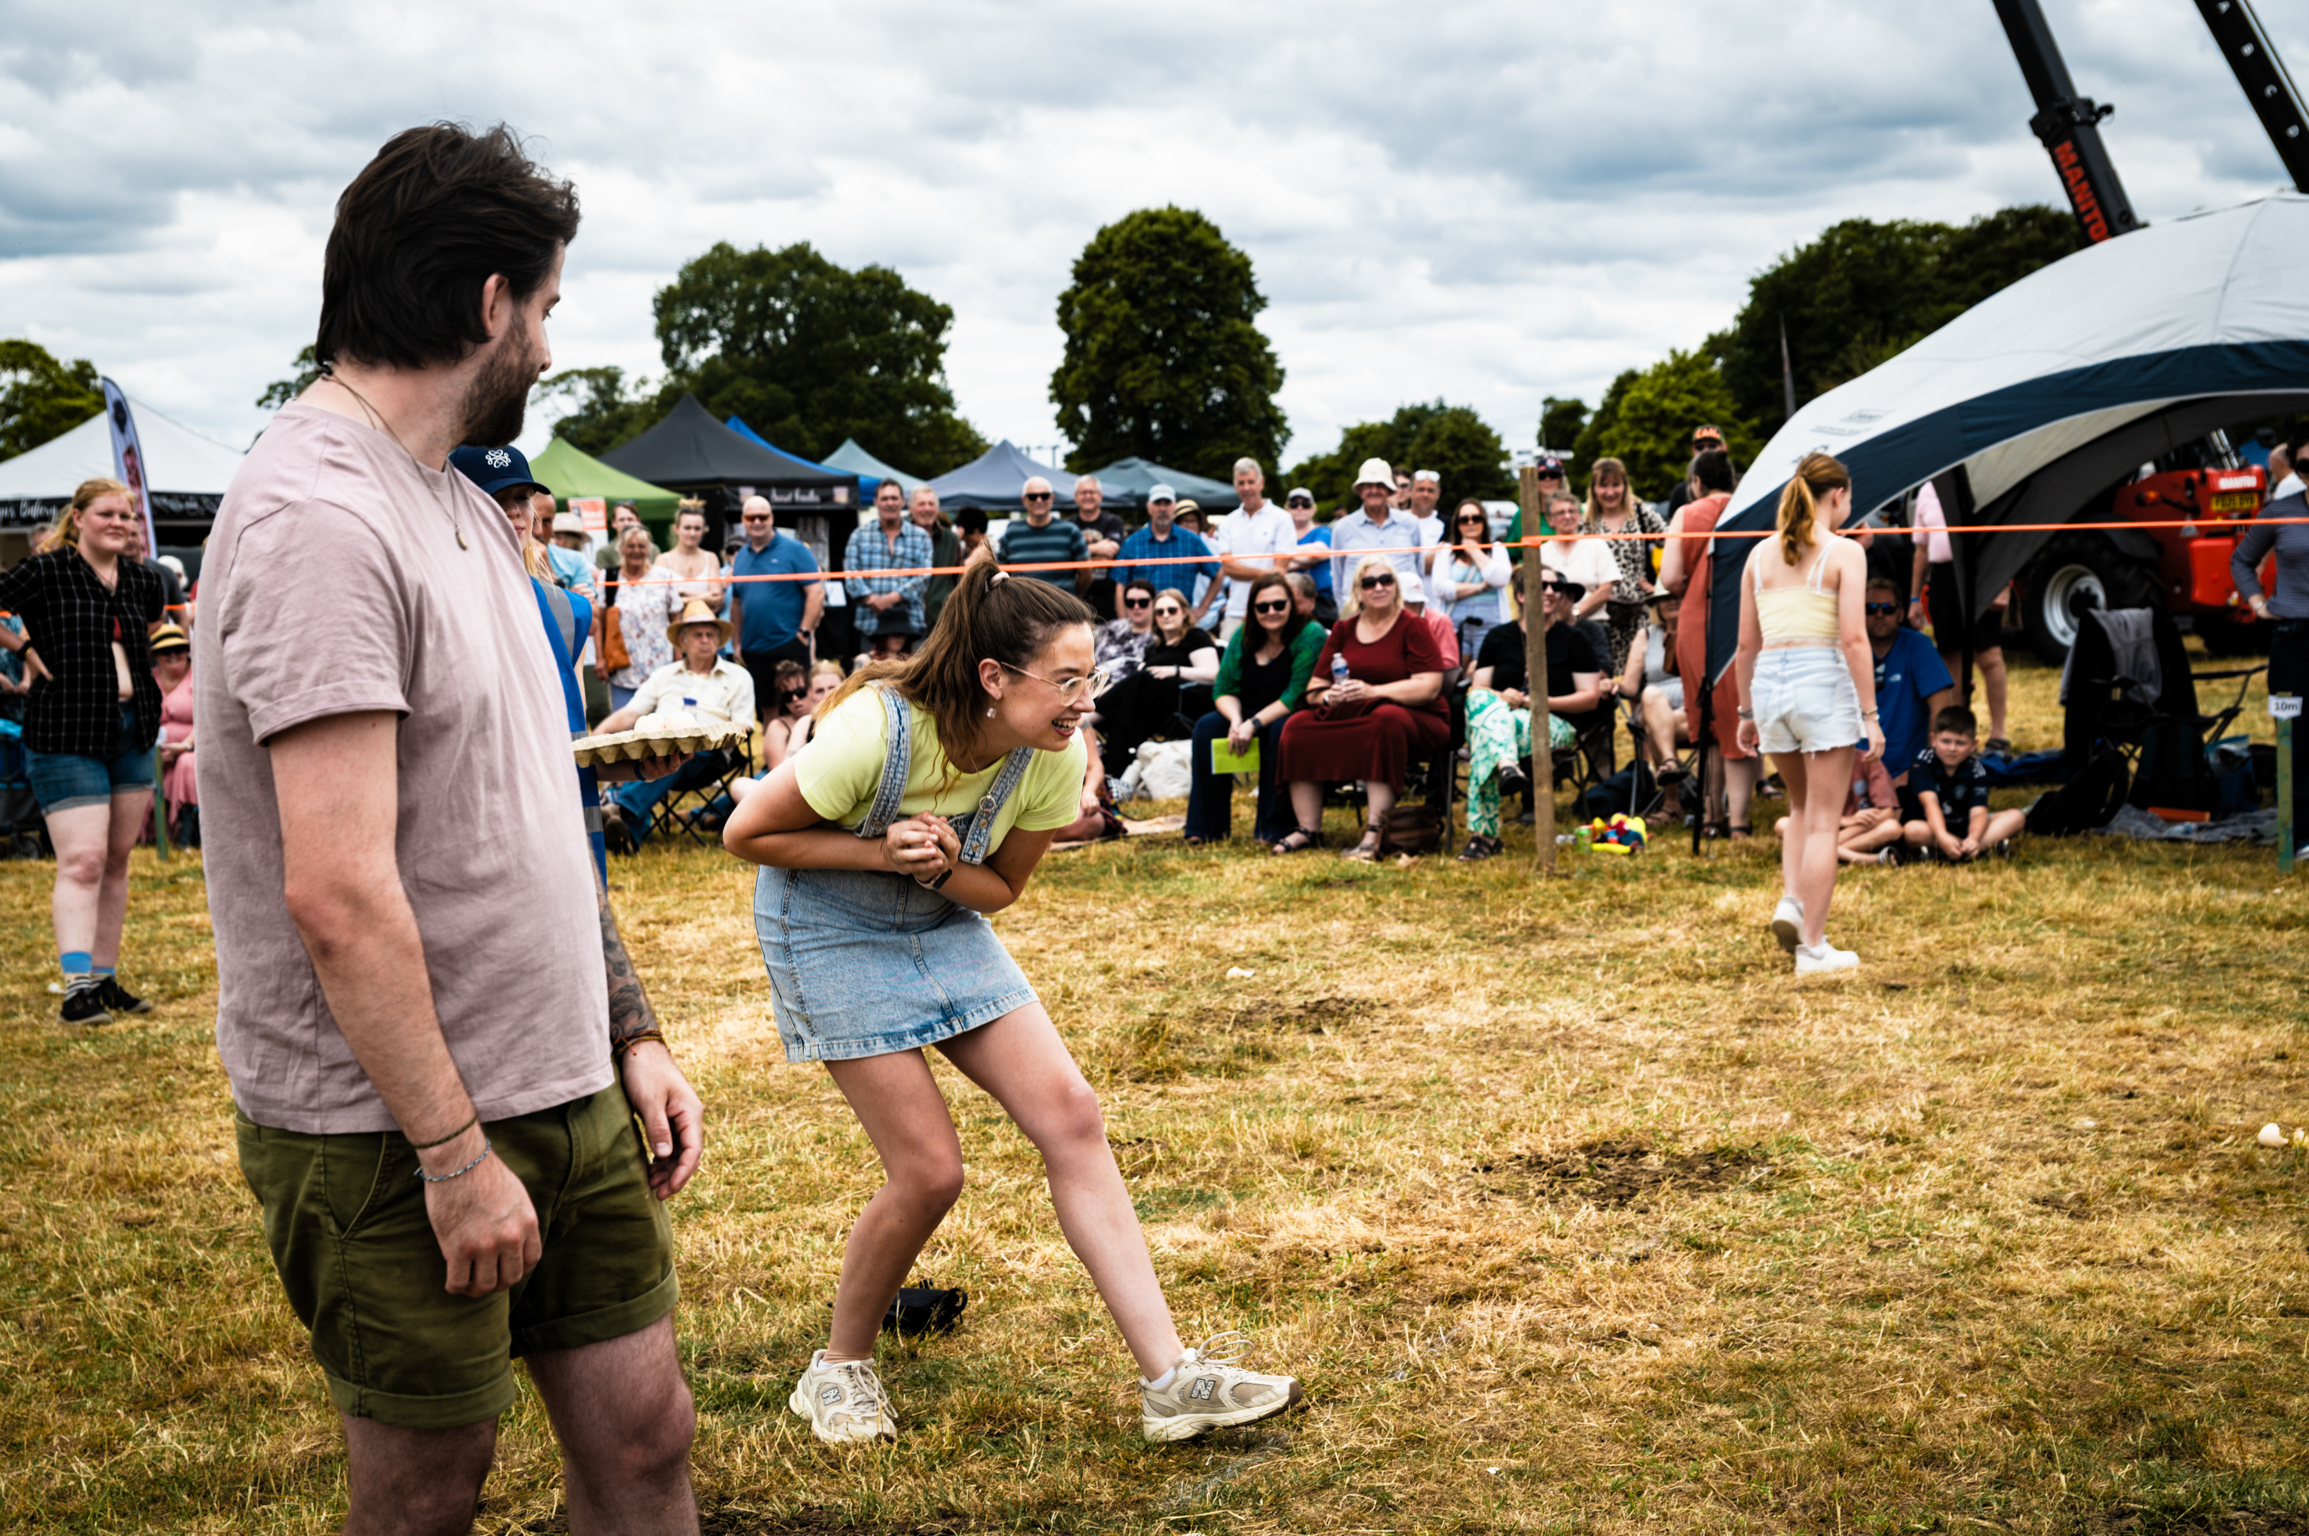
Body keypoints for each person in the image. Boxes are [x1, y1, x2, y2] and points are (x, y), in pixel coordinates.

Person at [196, 121, 703, 1534]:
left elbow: (530, 810)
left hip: (565, 1089)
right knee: (429, 1491)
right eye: (543, 309)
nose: (546, 343)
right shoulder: (319, 517)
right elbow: (338, 894)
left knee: (647, 1440)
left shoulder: (461, 511)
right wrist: (451, 1156)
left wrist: (629, 1028)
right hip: (393, 1131)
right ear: (488, 302)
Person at [722, 560, 1301, 1445]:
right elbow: (747, 834)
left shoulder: (1052, 755)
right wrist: (887, 853)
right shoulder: (875, 733)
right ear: (993, 678)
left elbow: (997, 889)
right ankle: (836, 1370)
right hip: (827, 926)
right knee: (929, 1170)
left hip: (944, 914)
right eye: (1065, 681)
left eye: (1089, 678)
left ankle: (1170, 1381)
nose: (1082, 701)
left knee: (1071, 1115)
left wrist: (941, 867)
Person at [0, 479, 168, 1024]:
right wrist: (24, 650)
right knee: (83, 861)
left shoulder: (143, 580)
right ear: (78, 518)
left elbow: (150, 633)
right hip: (65, 732)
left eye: (127, 514)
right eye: (107, 513)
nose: (120, 522)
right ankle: (76, 990)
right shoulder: (48, 570)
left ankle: (104, 978)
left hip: (132, 729)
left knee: (117, 860)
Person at [1734, 450, 1883, 975]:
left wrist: (1745, 711)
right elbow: (1854, 639)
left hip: (1771, 686)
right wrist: (1870, 714)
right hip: (1821, 684)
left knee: (1799, 807)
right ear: (1837, 495)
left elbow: (1745, 646)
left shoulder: (1758, 556)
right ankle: (1813, 947)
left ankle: (1792, 903)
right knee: (1824, 821)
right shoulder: (1845, 553)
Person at [1272, 555, 1450, 861]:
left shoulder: (1414, 626)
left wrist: (1374, 691)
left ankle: (1375, 831)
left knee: (1384, 720)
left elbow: (1429, 686)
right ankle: (1308, 829)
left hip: (1415, 716)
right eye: (1369, 583)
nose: (1378, 587)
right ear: (1358, 591)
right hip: (1352, 713)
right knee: (1297, 726)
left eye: (1386, 580)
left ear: (1396, 587)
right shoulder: (1343, 629)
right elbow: (1314, 688)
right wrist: (1330, 696)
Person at [1463, 573, 1603, 858]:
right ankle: (1507, 765)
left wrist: (1538, 703)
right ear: (1521, 596)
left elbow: (1591, 697)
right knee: (1483, 705)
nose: (1551, 592)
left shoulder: (1574, 639)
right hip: (1501, 718)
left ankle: (1484, 837)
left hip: (1555, 723)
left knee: (1486, 736)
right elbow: (1479, 691)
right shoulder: (1498, 637)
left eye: (1556, 587)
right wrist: (1504, 697)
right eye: (1541, 586)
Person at [601, 598, 758, 845]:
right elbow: (631, 712)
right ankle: (627, 836)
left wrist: (704, 737)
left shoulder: (739, 676)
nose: (705, 639)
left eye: (710, 634)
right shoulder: (664, 675)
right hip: (657, 747)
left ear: (718, 640)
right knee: (664, 750)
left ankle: (618, 807)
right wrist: (599, 733)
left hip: (709, 755)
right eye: (698, 635)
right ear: (683, 641)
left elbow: (744, 725)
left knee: (676, 751)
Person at [1183, 571, 1323, 848]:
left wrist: (1252, 724)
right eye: (1262, 607)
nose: (1271, 611)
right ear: (1252, 609)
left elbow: (1297, 694)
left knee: (1281, 732)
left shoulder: (1310, 634)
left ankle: (1273, 828)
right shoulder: (1243, 636)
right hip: (1246, 711)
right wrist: (1236, 720)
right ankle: (1206, 827)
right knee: (1208, 727)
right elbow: (1223, 688)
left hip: (1291, 713)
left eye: (1279, 604)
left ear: (1291, 605)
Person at [1666, 448, 1760, 838]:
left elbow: (1670, 578)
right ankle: (1739, 821)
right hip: (1743, 619)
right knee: (1738, 715)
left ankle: (1710, 817)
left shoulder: (1685, 514)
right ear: (1733, 480)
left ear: (1696, 482)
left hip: (1695, 621)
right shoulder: (1751, 509)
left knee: (1704, 722)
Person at [2233, 457, 2308, 855]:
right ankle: (2298, 837)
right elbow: (2242, 560)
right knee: (2293, 737)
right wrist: (2258, 603)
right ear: (2297, 468)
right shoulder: (2280, 512)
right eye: (2307, 463)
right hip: (2292, 637)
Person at [1907, 480, 2011, 753]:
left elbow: (2005, 538)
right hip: (1943, 578)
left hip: (1981, 573)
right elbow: (1921, 549)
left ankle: (1998, 733)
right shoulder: (1926, 491)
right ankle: (1958, 732)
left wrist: (2003, 584)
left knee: (1988, 655)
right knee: (1950, 656)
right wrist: (1914, 598)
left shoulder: (1980, 479)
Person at [1090, 587, 1217, 777]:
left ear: (1184, 612)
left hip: (1187, 702)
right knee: (1122, 721)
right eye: (1160, 611)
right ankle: (1111, 778)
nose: (1166, 615)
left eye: (1172, 610)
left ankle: (1090, 716)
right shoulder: (1155, 646)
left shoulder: (1195, 636)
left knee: (1146, 677)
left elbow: (1213, 673)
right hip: (1155, 707)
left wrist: (1175, 670)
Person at [730, 494, 824, 719]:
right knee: (767, 711)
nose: (757, 522)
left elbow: (816, 591)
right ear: (743, 520)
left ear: (771, 518)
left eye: (762, 516)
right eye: (751, 517)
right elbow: (736, 602)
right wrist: (736, 643)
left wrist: (804, 632)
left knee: (799, 707)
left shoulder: (795, 550)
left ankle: (802, 753)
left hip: (789, 643)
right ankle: (776, 754)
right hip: (754, 648)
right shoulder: (741, 557)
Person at [1860, 576, 1957, 787]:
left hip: (1905, 772)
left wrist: (1925, 768)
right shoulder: (1849, 650)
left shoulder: (1918, 645)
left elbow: (1941, 712)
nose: (1879, 615)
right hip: (1856, 770)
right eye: (1870, 608)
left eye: (1888, 608)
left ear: (1901, 613)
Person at [1900, 705, 2025, 862]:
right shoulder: (1922, 763)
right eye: (1946, 741)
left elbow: (1979, 812)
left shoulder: (1977, 769)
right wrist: (1942, 836)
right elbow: (1930, 803)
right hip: (1932, 829)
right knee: (1912, 831)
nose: (1952, 748)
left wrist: (1974, 838)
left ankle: (1964, 849)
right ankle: (1975, 851)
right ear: (1934, 740)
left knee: (2016, 817)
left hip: (1965, 829)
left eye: (1960, 743)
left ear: (1973, 745)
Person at [1583, 456, 1667, 675]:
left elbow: (1673, 542)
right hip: (1600, 613)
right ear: (1594, 488)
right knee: (1602, 676)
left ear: (1625, 485)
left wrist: (1660, 586)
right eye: (1604, 485)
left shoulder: (1641, 513)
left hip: (1638, 610)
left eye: (1615, 484)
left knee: (1641, 676)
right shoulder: (1585, 522)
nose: (1610, 492)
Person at [1207, 460, 1296, 641]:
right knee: (1229, 664)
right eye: (1241, 483)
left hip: (1272, 610)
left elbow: (1280, 570)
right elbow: (1228, 568)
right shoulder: (1228, 522)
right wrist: (1267, 573)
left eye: (1250, 482)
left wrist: (1244, 571)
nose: (1246, 488)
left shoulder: (1282, 518)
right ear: (1235, 485)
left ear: (1261, 482)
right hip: (1236, 610)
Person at [1618, 591, 1689, 816]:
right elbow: (1629, 686)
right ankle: (1669, 761)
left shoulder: (1700, 629)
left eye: (1677, 595)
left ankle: (1671, 803)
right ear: (1656, 605)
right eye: (1664, 598)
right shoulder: (1646, 635)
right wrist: (1610, 683)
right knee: (1650, 694)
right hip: (1655, 707)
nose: (1672, 601)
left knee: (1654, 727)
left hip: (1691, 712)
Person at [599, 523, 681, 714]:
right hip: (623, 670)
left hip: (660, 669)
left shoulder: (664, 576)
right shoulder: (609, 576)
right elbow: (600, 621)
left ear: (649, 549)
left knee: (662, 730)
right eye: (631, 546)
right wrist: (601, 658)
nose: (636, 551)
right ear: (621, 549)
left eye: (641, 546)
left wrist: (678, 658)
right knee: (625, 733)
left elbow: (676, 619)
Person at [845, 479, 934, 655]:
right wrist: (873, 599)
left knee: (912, 680)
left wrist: (890, 599)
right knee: (870, 680)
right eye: (884, 499)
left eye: (894, 498)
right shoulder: (859, 535)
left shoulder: (920, 537)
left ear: (903, 501)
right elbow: (851, 575)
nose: (890, 503)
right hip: (871, 625)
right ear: (875, 502)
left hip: (910, 628)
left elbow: (924, 577)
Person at [1112, 486, 1218, 618]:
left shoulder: (1192, 541)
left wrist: (1202, 609)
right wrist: (1124, 623)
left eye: (1167, 503)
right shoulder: (1132, 543)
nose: (1162, 509)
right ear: (1149, 507)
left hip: (1180, 622)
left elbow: (1218, 573)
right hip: (1144, 623)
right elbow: (1120, 585)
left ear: (1174, 507)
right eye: (1157, 503)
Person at [1427, 498, 1511, 661]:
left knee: (1484, 675)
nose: (1470, 523)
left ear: (1484, 522)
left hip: (1491, 627)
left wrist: (1474, 551)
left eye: (1476, 518)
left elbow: (1501, 579)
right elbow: (1440, 589)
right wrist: (1480, 587)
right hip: (1454, 629)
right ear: (1457, 524)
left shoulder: (1497, 549)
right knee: (1456, 676)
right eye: (1464, 519)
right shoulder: (1446, 551)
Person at [1326, 458, 1423, 600]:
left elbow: (1418, 570)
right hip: (1358, 613)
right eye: (1368, 486)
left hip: (1404, 611)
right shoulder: (1342, 528)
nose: (1374, 490)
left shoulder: (1410, 523)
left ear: (1389, 490)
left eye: (1380, 485)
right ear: (1359, 490)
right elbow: (1337, 577)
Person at [146, 621, 199, 846]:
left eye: (179, 649)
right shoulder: (149, 678)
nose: (173, 655)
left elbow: (209, 718)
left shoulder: (199, 677)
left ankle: (186, 834)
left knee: (187, 764)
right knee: (143, 768)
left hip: (197, 747)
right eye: (166, 651)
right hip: (158, 752)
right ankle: (153, 838)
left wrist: (185, 745)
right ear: (156, 655)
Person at [1537, 490, 1617, 630]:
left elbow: (1606, 590)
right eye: (1561, 512)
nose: (1567, 516)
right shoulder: (1542, 552)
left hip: (1593, 624)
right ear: (1550, 519)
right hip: (1551, 627)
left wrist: (1574, 615)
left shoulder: (1596, 544)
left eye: (1572, 511)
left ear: (1579, 515)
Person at [996, 476, 1090, 588]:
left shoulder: (1070, 531)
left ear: (1052, 498)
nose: (1039, 500)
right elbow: (1002, 575)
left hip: (1061, 605)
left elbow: (1086, 575)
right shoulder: (1011, 534)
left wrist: (1069, 601)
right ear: (1024, 500)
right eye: (1032, 497)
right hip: (1023, 605)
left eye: (1044, 496)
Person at [911, 486, 964, 632]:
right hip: (907, 625)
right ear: (911, 508)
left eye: (931, 504)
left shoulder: (952, 540)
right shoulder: (899, 539)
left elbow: (959, 581)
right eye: (921, 504)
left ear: (937, 508)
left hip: (942, 623)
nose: (927, 508)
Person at [1070, 474, 1125, 614]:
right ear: (1076, 497)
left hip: (1107, 600)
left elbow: (1110, 553)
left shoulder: (1113, 521)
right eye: (1083, 492)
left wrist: (1078, 557)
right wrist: (1098, 549)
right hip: (1075, 599)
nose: (1088, 496)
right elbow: (1066, 556)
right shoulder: (1069, 525)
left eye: (1092, 492)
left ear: (1100, 496)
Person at [1282, 485, 1337, 626]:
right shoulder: (1282, 536)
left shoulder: (1323, 531)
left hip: (1321, 603)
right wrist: (1306, 559)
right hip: (1286, 604)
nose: (1300, 507)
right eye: (1294, 504)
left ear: (1313, 509)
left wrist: (1285, 556)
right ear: (1287, 509)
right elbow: (1273, 563)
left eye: (1305, 504)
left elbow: (1318, 552)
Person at [657, 499, 724, 607]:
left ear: (704, 530)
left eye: (697, 528)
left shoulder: (710, 558)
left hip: (705, 622)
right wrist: (705, 597)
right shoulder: (663, 560)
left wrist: (682, 592)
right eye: (687, 528)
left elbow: (717, 599)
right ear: (676, 528)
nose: (692, 533)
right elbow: (661, 599)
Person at [1502, 455, 1568, 562]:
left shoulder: (1574, 511)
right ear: (1535, 481)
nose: (1547, 479)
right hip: (1529, 574)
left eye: (1553, 475)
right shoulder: (1522, 515)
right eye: (1541, 476)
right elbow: (1508, 555)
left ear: (1561, 480)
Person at [1405, 469, 1445, 551]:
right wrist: (1438, 553)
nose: (1425, 494)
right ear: (1410, 491)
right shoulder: (1396, 520)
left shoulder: (1447, 525)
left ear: (1438, 494)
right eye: (1421, 489)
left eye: (1430, 490)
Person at [595, 501, 641, 570]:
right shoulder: (604, 552)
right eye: (621, 519)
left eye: (630, 519)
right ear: (613, 523)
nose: (626, 523)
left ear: (638, 521)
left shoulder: (652, 549)